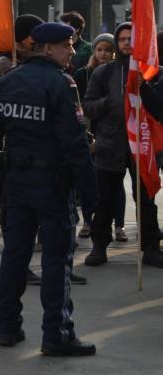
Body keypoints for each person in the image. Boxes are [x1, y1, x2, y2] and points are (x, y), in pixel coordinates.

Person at [0, 22, 97, 356]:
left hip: (16, 183)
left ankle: (7, 327)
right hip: (53, 186)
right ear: (46, 48)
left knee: (14, 256)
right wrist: (90, 192)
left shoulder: (8, 80)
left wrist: (4, 175)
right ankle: (57, 335)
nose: (71, 51)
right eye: (66, 45)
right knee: (57, 260)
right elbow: (74, 143)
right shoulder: (62, 83)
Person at [82, 22, 163, 268]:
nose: (127, 42)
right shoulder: (104, 73)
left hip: (143, 147)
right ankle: (99, 246)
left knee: (146, 201)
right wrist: (110, 102)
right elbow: (89, 106)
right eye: (123, 39)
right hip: (110, 145)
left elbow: (159, 109)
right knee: (105, 200)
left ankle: (151, 248)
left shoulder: (155, 71)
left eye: (132, 38)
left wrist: (143, 86)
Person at [0, 14, 44, 209]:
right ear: (22, 37)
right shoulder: (1, 65)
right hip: (7, 136)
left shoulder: (44, 62)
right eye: (33, 34)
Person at [73, 33, 126, 242]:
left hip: (112, 137)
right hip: (88, 133)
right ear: (94, 51)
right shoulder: (83, 74)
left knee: (115, 184)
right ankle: (88, 222)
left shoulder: (119, 73)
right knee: (89, 182)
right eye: (99, 49)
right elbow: (79, 106)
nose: (103, 54)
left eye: (108, 50)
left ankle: (119, 225)